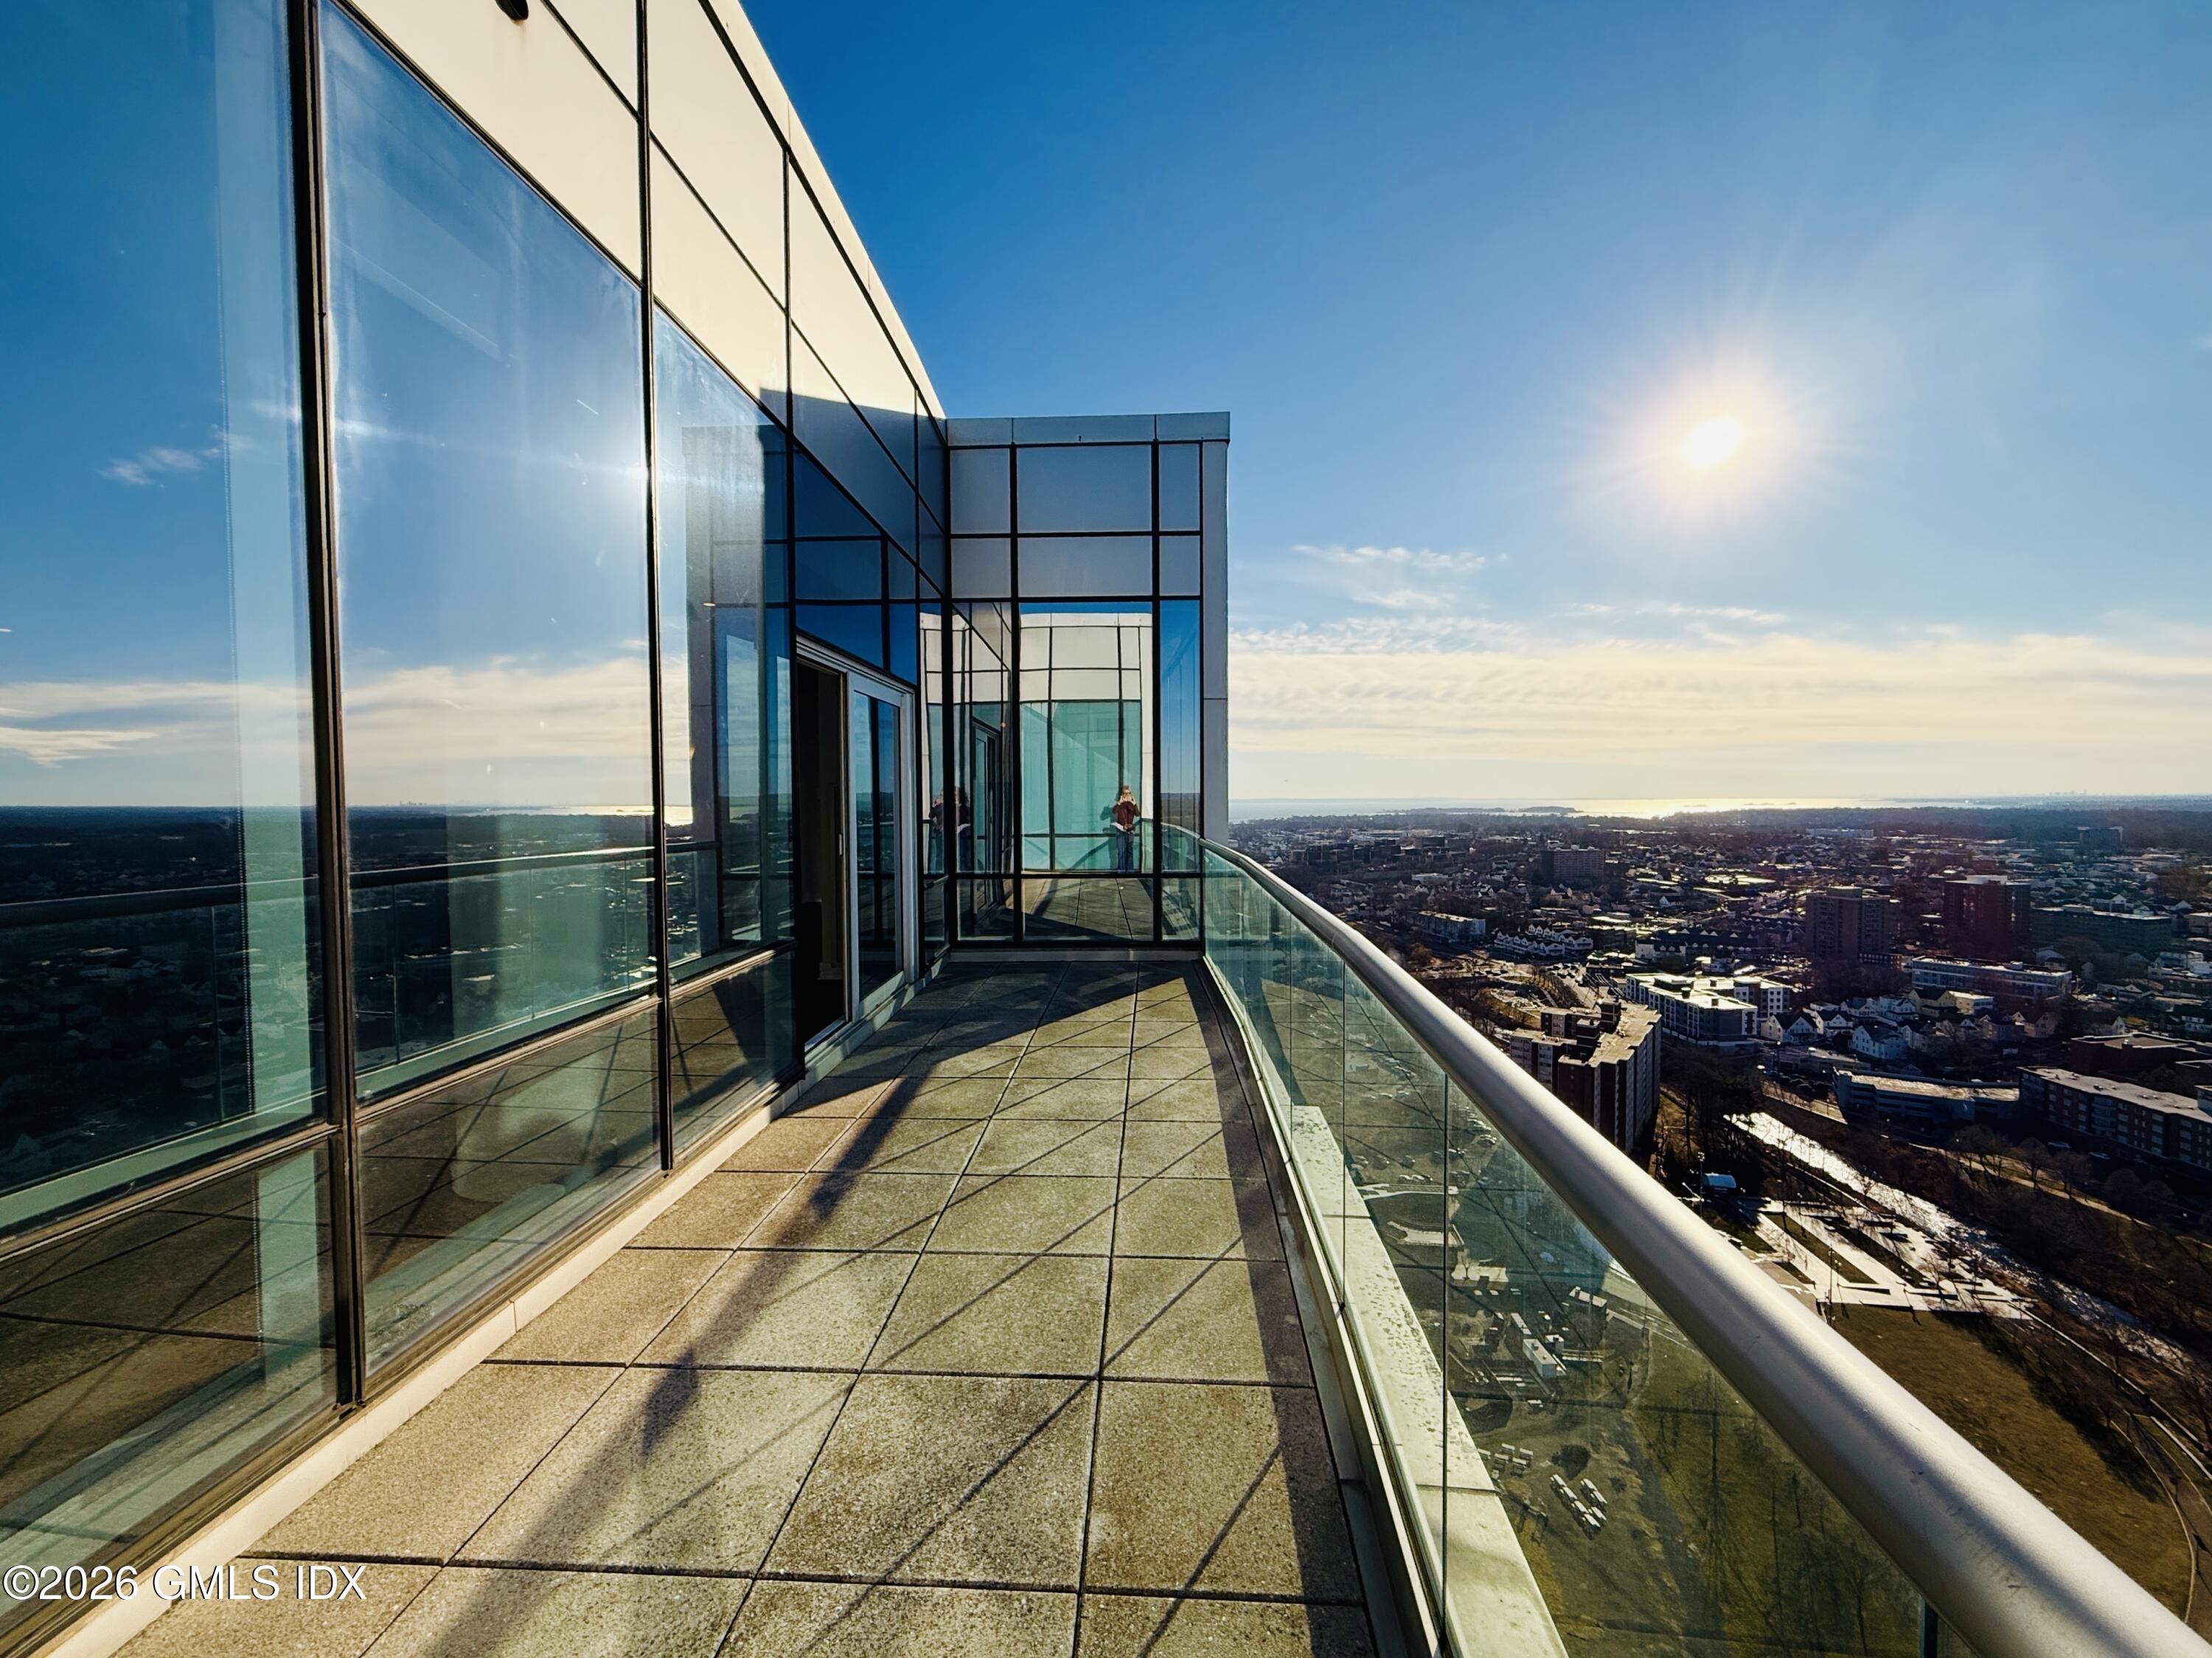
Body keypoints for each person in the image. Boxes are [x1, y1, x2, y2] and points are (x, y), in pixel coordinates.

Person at [1110, 783, 1140, 873]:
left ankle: (1130, 870)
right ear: (1122, 794)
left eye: (1128, 793)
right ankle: (1121, 871)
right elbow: (1114, 811)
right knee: (1120, 851)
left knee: (1129, 850)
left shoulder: (1132, 805)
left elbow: (1138, 814)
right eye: (1125, 793)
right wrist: (1119, 803)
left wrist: (1134, 804)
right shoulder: (1120, 805)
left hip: (1130, 829)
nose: (1127, 795)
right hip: (1120, 829)